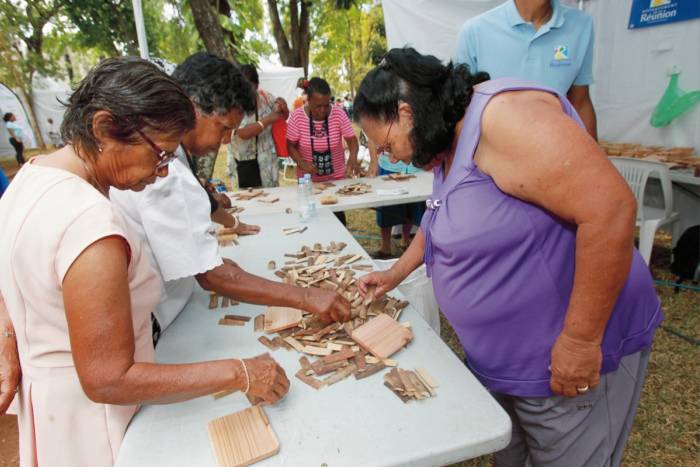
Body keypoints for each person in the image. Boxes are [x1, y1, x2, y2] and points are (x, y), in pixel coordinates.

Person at [355, 48, 662, 467]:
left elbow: (610, 211)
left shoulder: (503, 120)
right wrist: (394, 273)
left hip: (563, 362)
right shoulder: (445, 139)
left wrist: (580, 341)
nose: (391, 158)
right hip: (505, 365)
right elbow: (437, 217)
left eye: (387, 143)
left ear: (406, 112)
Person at [0, 56, 290, 467]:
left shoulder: (29, 178)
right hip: (96, 427)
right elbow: (109, 378)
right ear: (103, 128)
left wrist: (11, 334)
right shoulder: (90, 223)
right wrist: (239, 372)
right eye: (160, 154)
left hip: (52, 408)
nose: (160, 173)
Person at [110, 53, 351, 338]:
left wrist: (213, 256)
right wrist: (308, 297)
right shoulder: (164, 170)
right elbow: (211, 277)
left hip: (175, 307)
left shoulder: (174, 160)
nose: (224, 141)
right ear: (191, 108)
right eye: (223, 128)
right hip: (155, 320)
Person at [456, 0, 598, 139]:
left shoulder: (581, 26)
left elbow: (580, 102)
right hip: (491, 155)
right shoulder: (475, 31)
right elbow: (460, 109)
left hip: (552, 152)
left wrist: (594, 161)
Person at [287, 77, 360, 183]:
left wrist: (352, 158)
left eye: (326, 105)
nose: (322, 110)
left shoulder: (338, 114)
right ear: (309, 100)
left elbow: (352, 141)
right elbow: (290, 146)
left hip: (338, 179)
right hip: (307, 181)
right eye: (318, 106)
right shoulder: (297, 117)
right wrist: (302, 163)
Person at [231, 64, 288, 188]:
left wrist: (284, 107)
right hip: (244, 164)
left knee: (272, 200)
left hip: (267, 163)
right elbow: (243, 133)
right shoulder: (233, 104)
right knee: (249, 201)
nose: (244, 90)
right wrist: (267, 119)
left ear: (256, 84)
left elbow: (282, 117)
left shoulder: (266, 97)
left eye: (248, 86)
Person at [367, 144, 424, 259]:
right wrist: (373, 161)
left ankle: (405, 240)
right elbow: (372, 140)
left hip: (414, 167)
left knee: (412, 207)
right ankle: (385, 247)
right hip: (388, 167)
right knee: (386, 207)